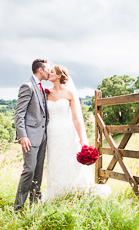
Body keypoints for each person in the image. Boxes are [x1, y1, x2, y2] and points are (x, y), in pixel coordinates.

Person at [45, 64, 111, 200]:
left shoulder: (69, 93)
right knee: (54, 160)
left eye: (51, 72)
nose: (48, 74)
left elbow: (76, 117)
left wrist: (82, 139)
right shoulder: (45, 93)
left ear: (58, 76)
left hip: (67, 131)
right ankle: (55, 194)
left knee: (69, 160)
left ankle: (73, 192)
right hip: (51, 131)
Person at [13, 59, 50, 211]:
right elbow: (19, 114)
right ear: (40, 70)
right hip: (30, 137)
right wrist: (23, 136)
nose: (49, 72)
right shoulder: (27, 86)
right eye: (47, 69)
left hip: (42, 137)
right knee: (29, 170)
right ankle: (18, 208)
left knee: (38, 172)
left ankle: (34, 206)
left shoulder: (41, 87)